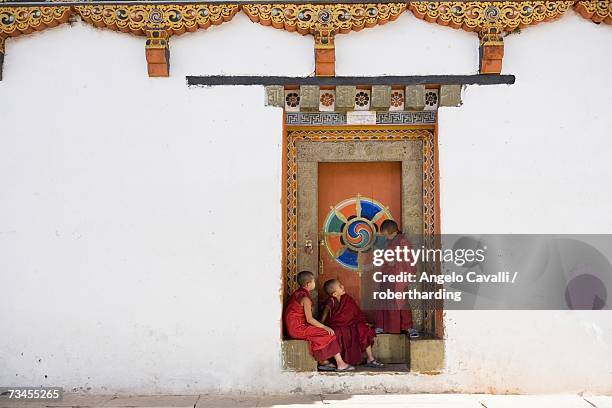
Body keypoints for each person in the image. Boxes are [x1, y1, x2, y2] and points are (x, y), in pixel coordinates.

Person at [284, 270, 355, 371]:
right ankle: (341, 364)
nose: (314, 283)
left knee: (320, 334)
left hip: (295, 328)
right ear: (308, 284)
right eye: (313, 281)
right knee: (329, 333)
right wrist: (325, 327)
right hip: (298, 329)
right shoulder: (305, 298)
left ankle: (323, 361)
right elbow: (309, 319)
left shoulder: (297, 294)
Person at [321, 279, 384, 367]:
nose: (342, 287)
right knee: (337, 333)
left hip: (351, 324)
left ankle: (370, 358)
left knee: (363, 329)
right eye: (340, 286)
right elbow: (325, 313)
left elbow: (356, 313)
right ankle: (341, 362)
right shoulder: (331, 301)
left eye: (341, 284)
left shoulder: (347, 298)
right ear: (334, 294)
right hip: (337, 325)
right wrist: (322, 326)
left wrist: (363, 322)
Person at [375, 219, 419, 338]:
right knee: (385, 301)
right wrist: (386, 262)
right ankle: (382, 326)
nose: (385, 237)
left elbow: (409, 259)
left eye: (385, 234)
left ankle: (408, 327)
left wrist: (396, 262)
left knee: (402, 303)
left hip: (398, 277)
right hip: (388, 276)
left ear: (393, 232)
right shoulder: (389, 242)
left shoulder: (403, 241)